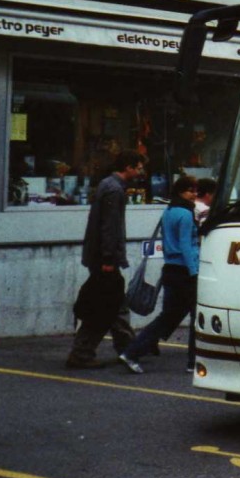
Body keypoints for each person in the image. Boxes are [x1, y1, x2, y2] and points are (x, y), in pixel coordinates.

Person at [66, 150, 147, 369]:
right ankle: (85, 353)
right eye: (138, 167)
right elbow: (109, 227)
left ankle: (128, 349)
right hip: (104, 259)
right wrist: (109, 259)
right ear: (128, 167)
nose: (141, 172)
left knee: (114, 306)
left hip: (100, 256)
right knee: (104, 307)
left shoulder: (108, 185)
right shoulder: (114, 190)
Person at [118, 175, 200, 375]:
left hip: (170, 268)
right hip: (185, 270)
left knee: (167, 317)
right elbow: (185, 245)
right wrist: (194, 272)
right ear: (181, 192)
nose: (194, 194)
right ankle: (193, 361)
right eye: (190, 190)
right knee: (197, 318)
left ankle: (132, 351)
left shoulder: (169, 211)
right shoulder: (186, 215)